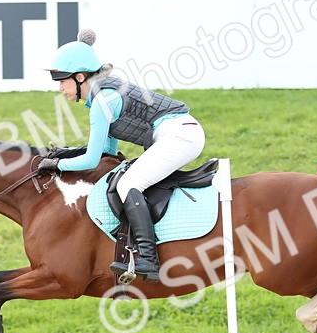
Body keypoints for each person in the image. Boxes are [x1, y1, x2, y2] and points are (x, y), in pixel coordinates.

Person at [40, 30, 205, 282]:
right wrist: (67, 152)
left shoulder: (103, 101)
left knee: (129, 183)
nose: (61, 89)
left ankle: (149, 260)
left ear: (80, 77)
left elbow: (92, 161)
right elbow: (106, 152)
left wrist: (56, 163)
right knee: (127, 179)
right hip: (179, 133)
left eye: (62, 81)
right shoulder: (103, 95)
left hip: (179, 135)